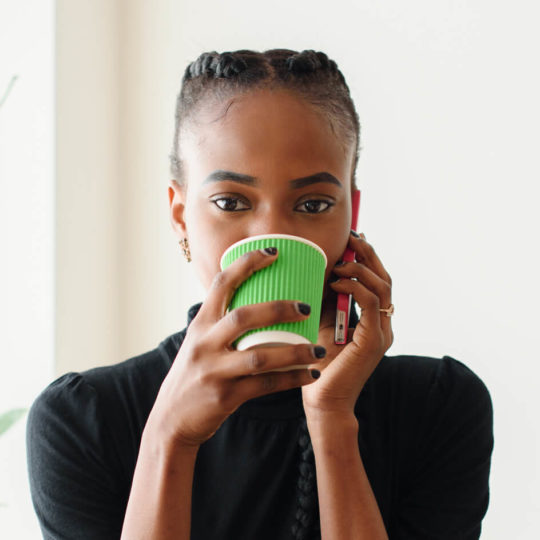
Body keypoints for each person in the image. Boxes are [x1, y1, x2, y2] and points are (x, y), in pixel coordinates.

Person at [26, 49, 494, 540]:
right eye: (231, 202)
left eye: (313, 204)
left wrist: (332, 419)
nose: (271, 234)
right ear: (181, 216)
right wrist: (170, 436)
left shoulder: (438, 408)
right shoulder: (83, 421)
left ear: (351, 216)